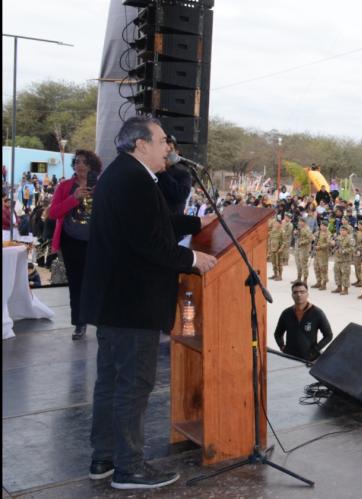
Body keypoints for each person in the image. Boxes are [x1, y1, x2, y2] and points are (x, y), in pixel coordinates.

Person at [81, 116, 217, 489]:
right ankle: (130, 468)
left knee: (111, 383)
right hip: (133, 304)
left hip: (115, 302)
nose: (167, 148)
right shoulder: (134, 180)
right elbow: (149, 243)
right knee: (134, 386)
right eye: (161, 141)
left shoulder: (122, 174)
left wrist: (195, 224)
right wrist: (193, 259)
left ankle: (104, 458)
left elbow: (152, 224)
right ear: (141, 144)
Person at [48, 149, 102, 340]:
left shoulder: (102, 184)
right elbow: (53, 213)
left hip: (97, 242)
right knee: (76, 283)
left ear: (92, 166)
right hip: (71, 241)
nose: (80, 165)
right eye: (77, 161)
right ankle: (79, 323)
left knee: (98, 282)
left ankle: (100, 320)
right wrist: (74, 198)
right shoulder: (65, 186)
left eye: (85, 162)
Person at [274, 281, 333, 362]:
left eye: (302, 292)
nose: (299, 295)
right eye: (295, 292)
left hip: (309, 360)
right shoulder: (286, 313)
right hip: (289, 359)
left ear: (307, 294)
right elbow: (277, 333)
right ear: (292, 295)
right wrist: (282, 346)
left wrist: (315, 350)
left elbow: (328, 335)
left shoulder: (317, 313)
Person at [332, 224, 355, 295]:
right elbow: (335, 246)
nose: (342, 231)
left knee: (345, 274)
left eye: (344, 230)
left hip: (345, 260)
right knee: (337, 273)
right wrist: (333, 244)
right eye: (341, 230)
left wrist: (344, 251)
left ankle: (345, 289)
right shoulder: (338, 237)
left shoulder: (350, 239)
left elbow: (352, 248)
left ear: (347, 231)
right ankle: (339, 287)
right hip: (337, 258)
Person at [293, 217, 314, 286]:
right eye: (299, 221)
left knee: (303, 264)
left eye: (301, 222)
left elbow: (310, 239)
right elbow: (297, 237)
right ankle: (298, 278)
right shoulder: (300, 228)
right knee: (298, 263)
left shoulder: (307, 229)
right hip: (298, 248)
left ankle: (305, 279)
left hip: (304, 249)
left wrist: (302, 242)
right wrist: (295, 233)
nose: (299, 223)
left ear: (304, 222)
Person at [312, 221, 330, 289]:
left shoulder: (328, 233)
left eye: (323, 226)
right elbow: (313, 236)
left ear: (326, 226)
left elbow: (328, 243)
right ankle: (318, 282)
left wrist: (320, 247)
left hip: (323, 254)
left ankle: (324, 284)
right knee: (316, 267)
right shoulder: (318, 232)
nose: (322, 227)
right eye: (321, 225)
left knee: (323, 269)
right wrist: (313, 238)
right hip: (317, 253)